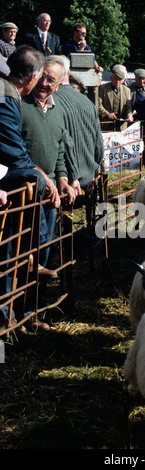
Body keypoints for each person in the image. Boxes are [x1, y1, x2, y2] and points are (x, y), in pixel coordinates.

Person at [0, 45, 57, 330]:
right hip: (6, 181)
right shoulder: (8, 95)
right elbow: (11, 146)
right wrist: (41, 174)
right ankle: (35, 252)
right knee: (32, 182)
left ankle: (17, 308)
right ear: (32, 77)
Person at [21, 55, 76, 274]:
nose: (44, 84)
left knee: (45, 244)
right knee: (22, 246)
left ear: (60, 83)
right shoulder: (20, 105)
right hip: (24, 189)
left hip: (50, 189)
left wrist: (62, 179)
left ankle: (37, 299)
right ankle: (17, 301)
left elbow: (59, 148)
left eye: (50, 80)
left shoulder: (57, 110)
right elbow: (15, 149)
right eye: (42, 77)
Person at [54, 55, 104, 198]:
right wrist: (95, 173)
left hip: (64, 182)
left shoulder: (51, 102)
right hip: (88, 177)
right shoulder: (88, 103)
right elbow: (98, 144)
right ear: (68, 73)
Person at [98, 64, 133, 131]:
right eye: (115, 79)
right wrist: (107, 114)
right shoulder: (102, 89)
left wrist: (129, 115)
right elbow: (98, 105)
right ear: (111, 78)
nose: (117, 81)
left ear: (123, 80)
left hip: (121, 125)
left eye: (120, 79)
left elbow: (128, 107)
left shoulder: (127, 90)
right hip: (106, 124)